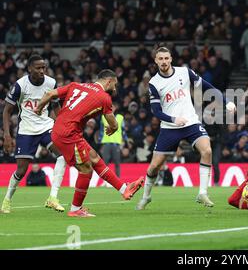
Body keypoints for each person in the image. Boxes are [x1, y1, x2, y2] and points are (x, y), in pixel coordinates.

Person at [135, 47, 236, 210]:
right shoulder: (154, 83)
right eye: (160, 59)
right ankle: (146, 196)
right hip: (169, 127)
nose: (164, 62)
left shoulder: (184, 72)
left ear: (171, 59)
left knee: (207, 151)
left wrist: (226, 101)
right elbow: (156, 111)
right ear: (156, 61)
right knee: (154, 166)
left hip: (191, 123)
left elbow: (206, 86)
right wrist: (174, 119)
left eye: (166, 58)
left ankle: (202, 192)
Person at [34, 69, 144, 217]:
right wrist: (113, 128)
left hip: (60, 129)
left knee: (94, 158)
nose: (115, 88)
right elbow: (113, 122)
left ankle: (124, 189)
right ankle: (75, 209)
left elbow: (49, 94)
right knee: (86, 170)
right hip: (69, 135)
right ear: (108, 81)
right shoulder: (104, 97)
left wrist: (39, 107)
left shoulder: (75, 85)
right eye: (115, 85)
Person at [1, 55, 66, 214]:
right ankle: (7, 199)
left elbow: (56, 106)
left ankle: (53, 197)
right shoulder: (20, 85)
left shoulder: (51, 83)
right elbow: (7, 111)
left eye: (43, 68)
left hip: (46, 126)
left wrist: (64, 126)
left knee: (63, 155)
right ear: (29, 68)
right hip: (27, 129)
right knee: (21, 171)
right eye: (38, 68)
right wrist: (7, 136)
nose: (42, 71)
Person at [99, 102, 126, 177]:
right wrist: (100, 144)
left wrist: (126, 143)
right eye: (110, 107)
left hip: (116, 143)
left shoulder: (120, 117)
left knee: (117, 163)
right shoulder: (103, 117)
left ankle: (118, 180)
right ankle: (105, 181)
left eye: (113, 107)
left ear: (115, 108)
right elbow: (101, 130)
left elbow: (123, 131)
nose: (111, 108)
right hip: (106, 143)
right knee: (105, 164)